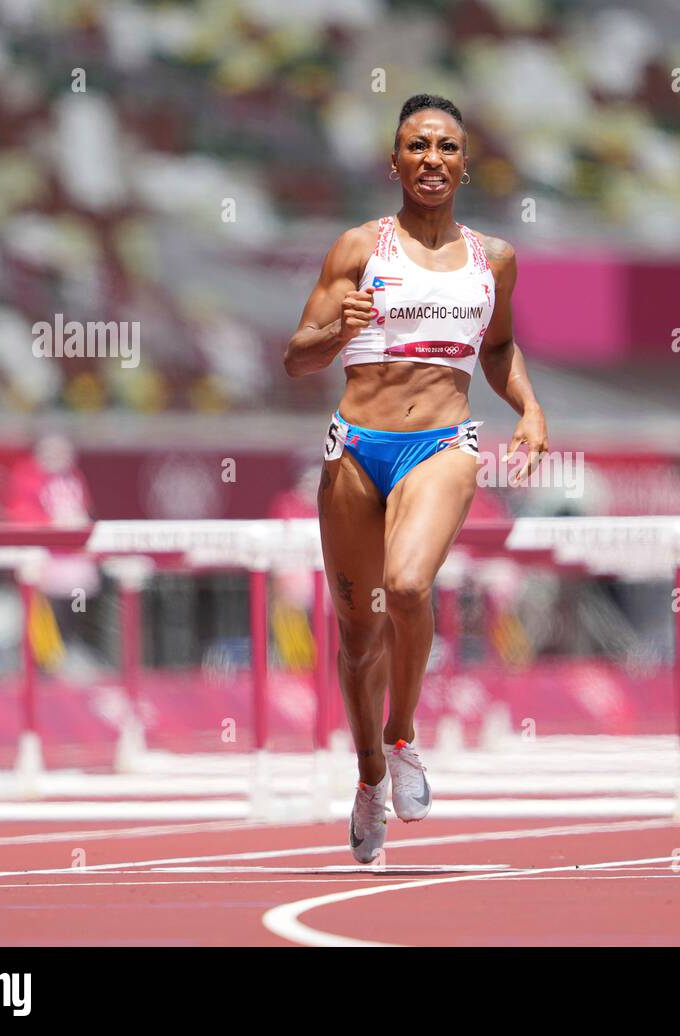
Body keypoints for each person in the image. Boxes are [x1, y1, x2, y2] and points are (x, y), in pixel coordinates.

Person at [284, 94, 548, 862]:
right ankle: (369, 775)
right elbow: (297, 355)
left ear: (466, 163)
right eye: (417, 146)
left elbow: (497, 350)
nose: (432, 158)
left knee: (406, 587)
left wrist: (529, 409)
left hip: (441, 443)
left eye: (446, 147)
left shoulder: (493, 258)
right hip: (355, 447)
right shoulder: (359, 249)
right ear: (393, 162)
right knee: (357, 632)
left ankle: (404, 737)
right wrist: (339, 330)